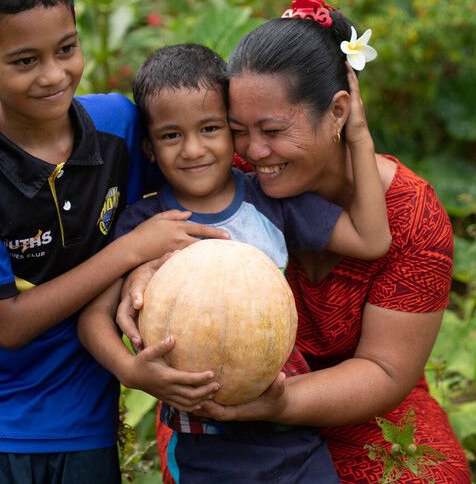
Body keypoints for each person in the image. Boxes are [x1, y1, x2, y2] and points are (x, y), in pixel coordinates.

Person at [119, 0, 471, 483]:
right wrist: (140, 269)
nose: (255, 150)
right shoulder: (228, 171)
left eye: (273, 130)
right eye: (238, 129)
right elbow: (156, 223)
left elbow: (387, 372)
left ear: (339, 112)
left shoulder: (412, 216)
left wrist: (280, 404)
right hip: (223, 412)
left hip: (362, 408)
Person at [0, 0, 227, 484]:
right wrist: (128, 252)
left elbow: (202, 179)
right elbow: (9, 326)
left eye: (66, 49)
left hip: (84, 420)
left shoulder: (121, 125)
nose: (54, 75)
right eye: (24, 61)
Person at [78, 41, 392, 484]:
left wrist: (357, 134)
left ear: (232, 131)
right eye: (171, 135)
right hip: (206, 445)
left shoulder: (272, 202)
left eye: (210, 128)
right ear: (149, 147)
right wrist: (133, 372)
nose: (192, 150)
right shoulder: (143, 224)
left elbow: (372, 238)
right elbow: (93, 318)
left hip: (293, 431)